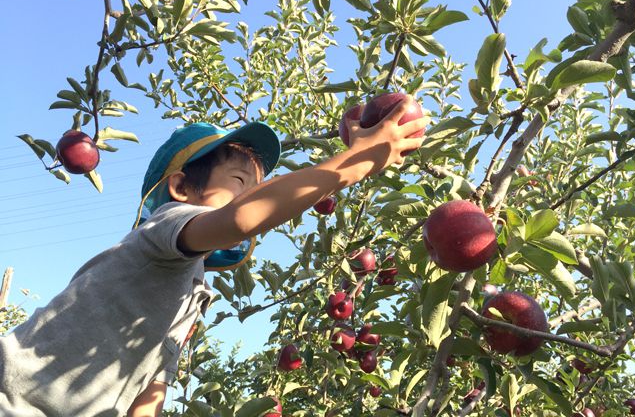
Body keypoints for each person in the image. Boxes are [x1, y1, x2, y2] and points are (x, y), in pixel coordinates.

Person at [0, 96, 427, 416]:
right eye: (241, 181)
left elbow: (149, 391)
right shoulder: (162, 229)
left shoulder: (190, 290)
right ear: (182, 188)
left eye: (257, 187)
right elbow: (241, 218)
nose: (250, 195)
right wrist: (355, 163)